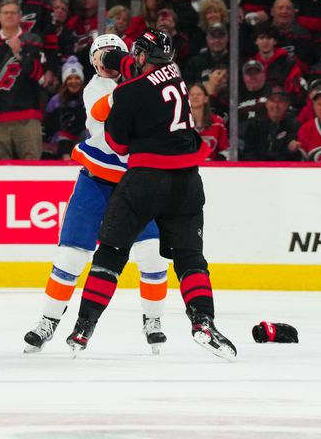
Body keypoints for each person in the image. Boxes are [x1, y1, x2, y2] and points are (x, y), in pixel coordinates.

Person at [66, 28, 237, 361]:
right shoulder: (177, 77)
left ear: (141, 56)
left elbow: (117, 144)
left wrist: (115, 93)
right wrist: (122, 61)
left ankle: (83, 326)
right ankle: (203, 322)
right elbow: (140, 68)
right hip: (187, 182)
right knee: (190, 258)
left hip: (146, 180)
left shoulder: (128, 92)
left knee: (112, 252)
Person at [23, 34, 169, 354]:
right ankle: (48, 321)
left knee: (153, 253)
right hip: (96, 181)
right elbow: (107, 111)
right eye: (101, 55)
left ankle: (153, 320)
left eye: (114, 54)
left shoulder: (144, 84)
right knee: (70, 256)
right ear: (92, 61)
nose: (107, 60)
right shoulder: (94, 89)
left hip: (136, 181)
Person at [0, 0, 45, 160]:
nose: (9, 16)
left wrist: (19, 53)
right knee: (1, 172)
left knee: (31, 169)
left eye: (13, 13)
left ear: (20, 17)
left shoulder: (32, 41)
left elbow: (39, 74)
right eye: (5, 13)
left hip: (27, 116)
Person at [43, 57, 87, 160]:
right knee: (64, 140)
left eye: (77, 78)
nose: (73, 82)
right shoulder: (55, 101)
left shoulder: (88, 98)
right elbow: (48, 126)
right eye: (70, 78)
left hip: (83, 140)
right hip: (60, 143)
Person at [242, 87, 302, 161]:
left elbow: (295, 155)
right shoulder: (254, 125)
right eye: (272, 100)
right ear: (266, 104)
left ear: (287, 105)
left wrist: (293, 150)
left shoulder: (293, 124)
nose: (276, 105)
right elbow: (248, 154)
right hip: (259, 168)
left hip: (283, 168)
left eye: (280, 101)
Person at [188, 83, 229, 160]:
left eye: (199, 94)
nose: (195, 97)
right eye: (191, 94)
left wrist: (217, 162)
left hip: (212, 169)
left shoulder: (218, 122)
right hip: (189, 168)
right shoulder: (181, 123)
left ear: (206, 99)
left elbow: (225, 150)